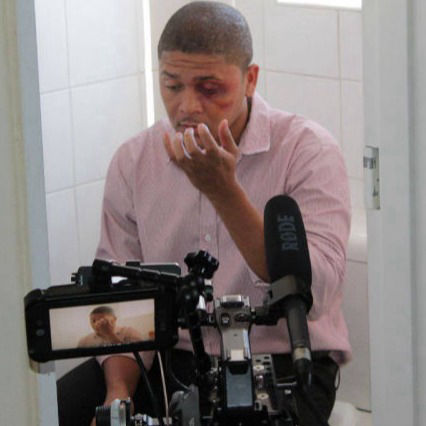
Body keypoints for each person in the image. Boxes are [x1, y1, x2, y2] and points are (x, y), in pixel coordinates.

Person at [57, 2, 351, 425]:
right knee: (42, 409)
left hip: (283, 358)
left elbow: (315, 292)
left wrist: (223, 190)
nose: (187, 107)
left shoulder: (306, 152)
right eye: (172, 85)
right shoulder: (135, 161)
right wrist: (117, 395)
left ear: (250, 79)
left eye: (210, 89)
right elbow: (122, 302)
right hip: (170, 356)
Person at [77, 306, 144, 348]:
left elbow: (138, 354)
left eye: (101, 320)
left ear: (114, 319)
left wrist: (109, 334)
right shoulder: (84, 342)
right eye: (93, 321)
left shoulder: (129, 332)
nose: (96, 324)